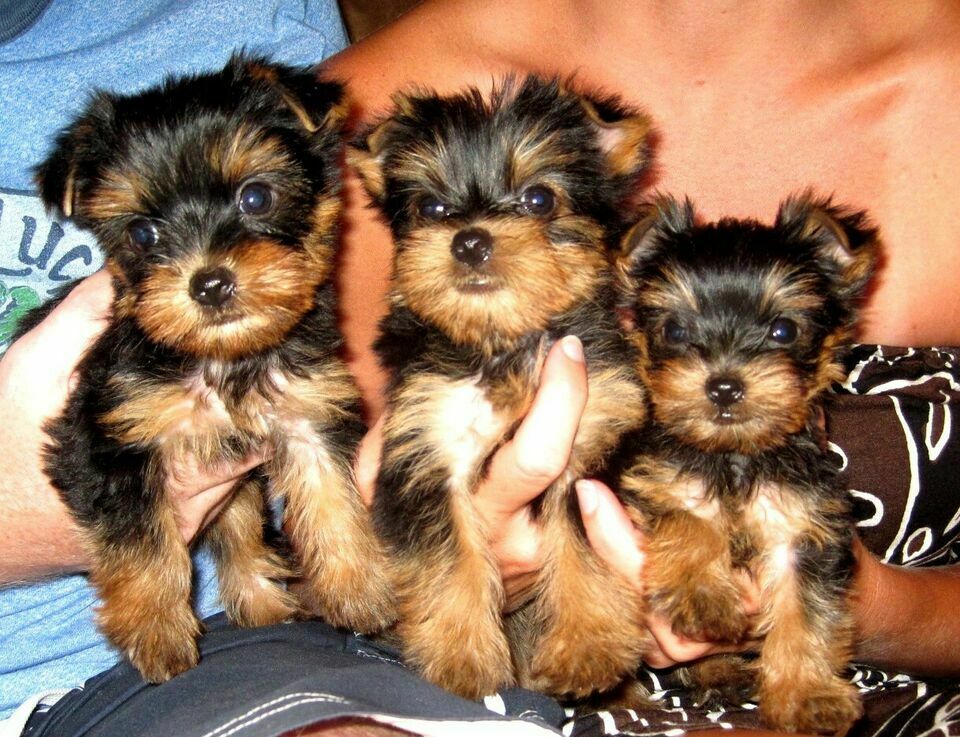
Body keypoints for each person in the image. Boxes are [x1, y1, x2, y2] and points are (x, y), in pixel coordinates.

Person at [3, 1, 959, 736]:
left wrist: (877, 611)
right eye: (430, 214)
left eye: (537, 200)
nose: (476, 236)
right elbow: (360, 506)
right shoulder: (373, 93)